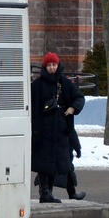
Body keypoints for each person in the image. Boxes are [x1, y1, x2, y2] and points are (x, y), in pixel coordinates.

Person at [32, 51, 86, 203]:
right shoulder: (37, 85)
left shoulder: (64, 83)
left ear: (58, 65)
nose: (51, 68)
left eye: (53, 64)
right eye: (48, 65)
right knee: (44, 163)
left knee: (58, 162)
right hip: (42, 131)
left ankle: (51, 192)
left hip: (61, 130)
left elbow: (79, 98)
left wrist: (72, 108)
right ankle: (45, 193)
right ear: (44, 66)